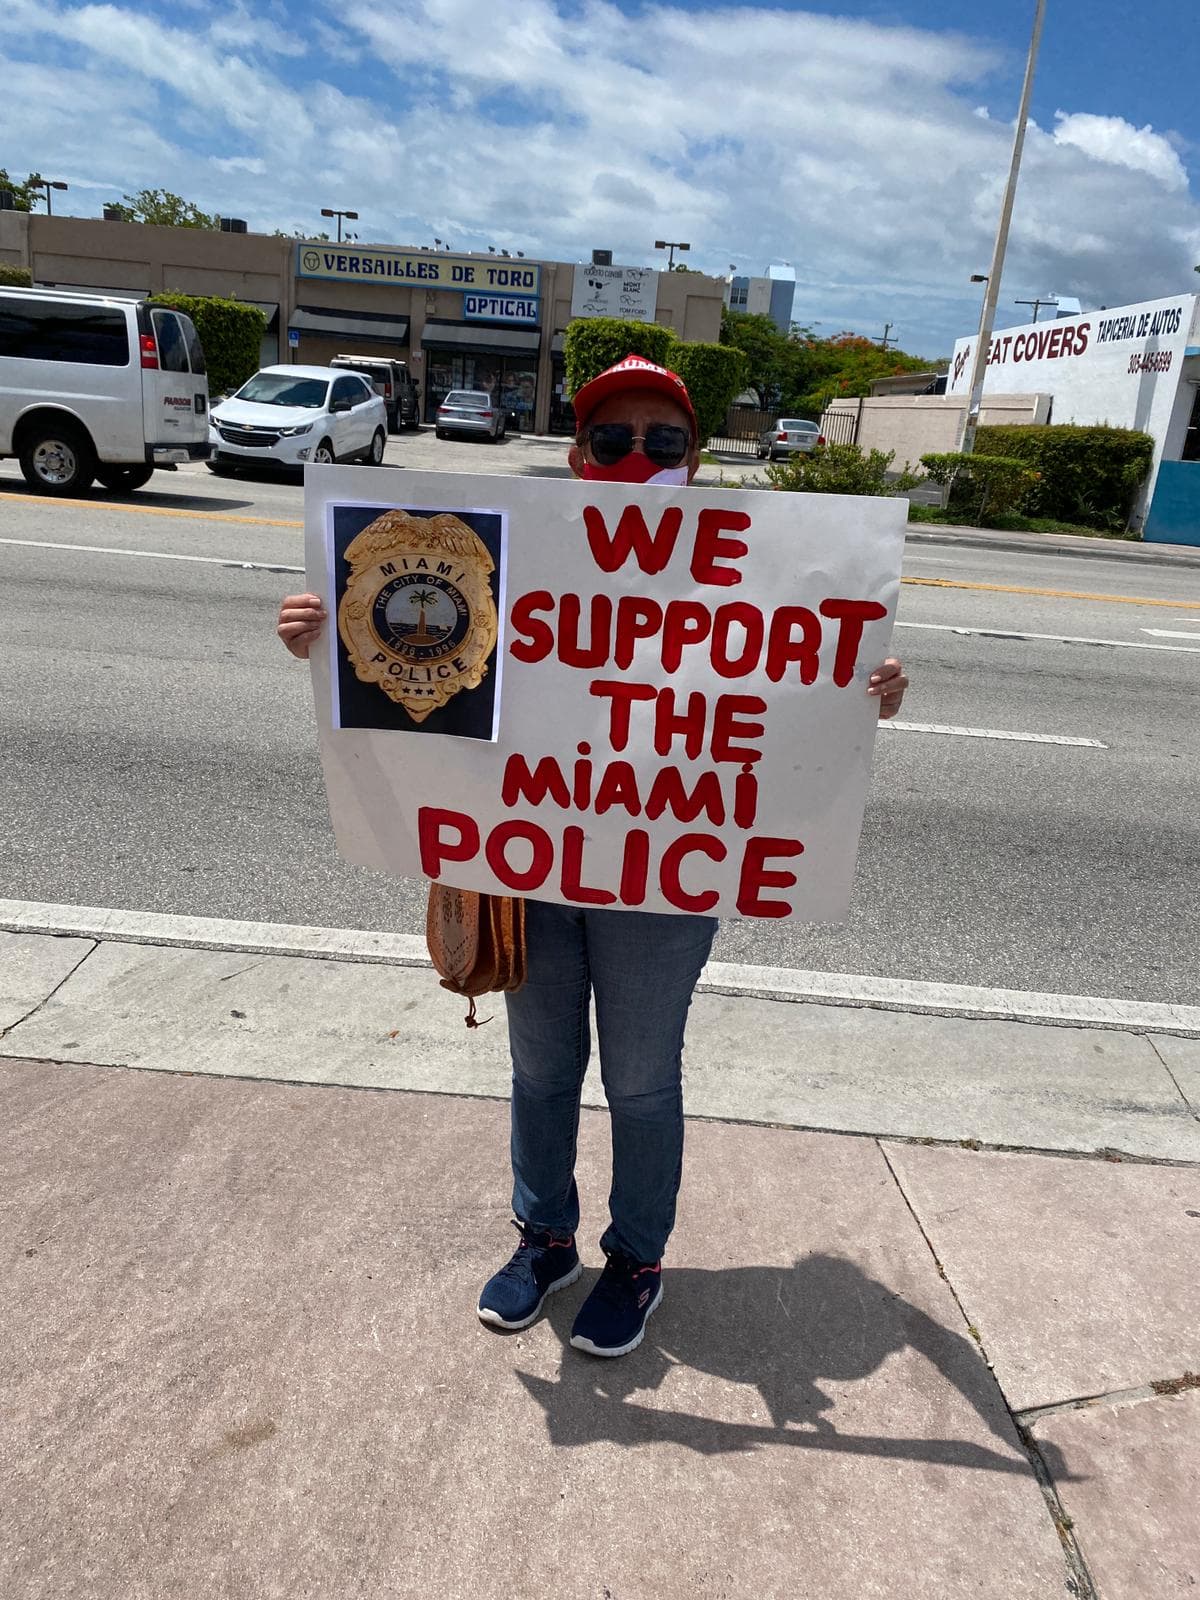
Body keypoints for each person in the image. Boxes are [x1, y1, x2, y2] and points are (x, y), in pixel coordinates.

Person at [276, 356, 908, 1359]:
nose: (637, 458)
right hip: (534, 861)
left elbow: (795, 697)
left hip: (662, 873)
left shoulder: (757, 570)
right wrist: (325, 637)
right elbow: (421, 667)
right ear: (577, 456)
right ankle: (545, 1238)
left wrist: (857, 690)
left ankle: (638, 1256)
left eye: (663, 442)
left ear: (695, 463)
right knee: (540, 1065)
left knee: (644, 1076)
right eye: (613, 441)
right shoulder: (516, 553)